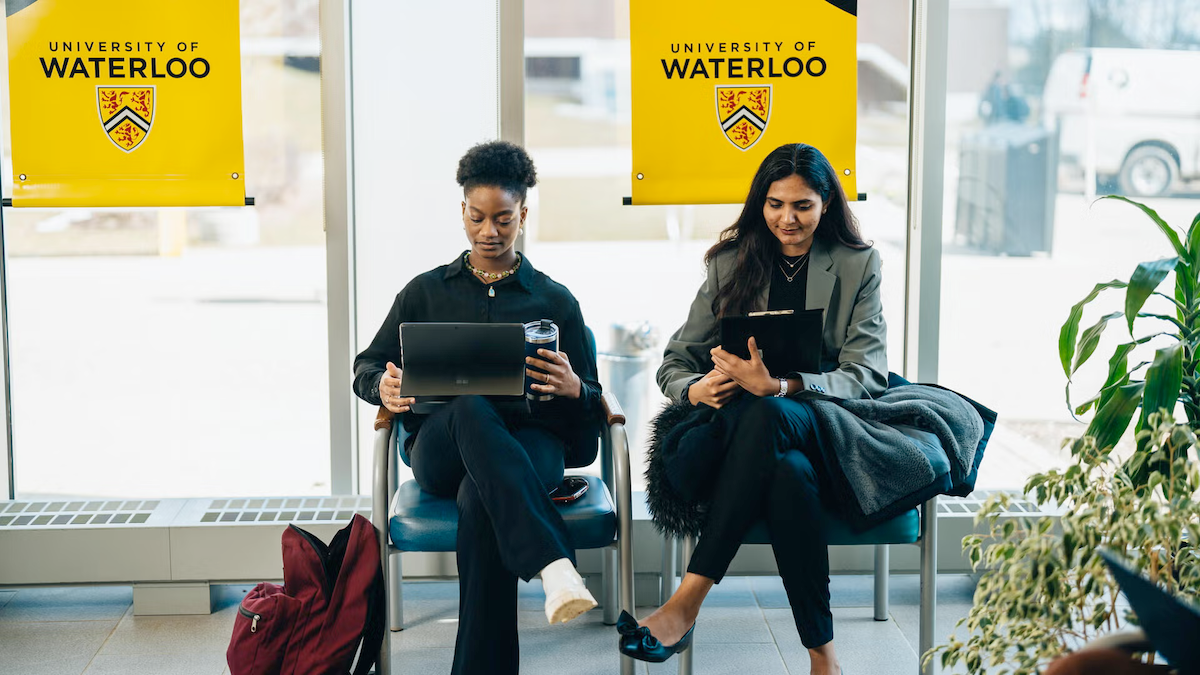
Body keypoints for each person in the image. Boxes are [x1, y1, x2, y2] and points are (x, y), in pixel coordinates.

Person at [616, 143, 887, 675]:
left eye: (803, 205)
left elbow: (866, 374)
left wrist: (781, 386)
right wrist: (697, 391)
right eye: (775, 203)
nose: (787, 218)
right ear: (760, 204)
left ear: (826, 204)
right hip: (729, 434)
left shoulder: (858, 265)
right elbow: (675, 362)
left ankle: (685, 602)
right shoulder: (728, 263)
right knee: (788, 473)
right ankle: (823, 657)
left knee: (769, 412)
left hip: (819, 422)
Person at [352, 140, 604, 675]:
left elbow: (590, 418)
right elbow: (365, 367)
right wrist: (384, 388)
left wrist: (574, 388)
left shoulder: (555, 301)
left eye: (504, 219)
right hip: (443, 444)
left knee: (481, 499)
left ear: (523, 216)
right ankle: (553, 562)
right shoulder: (423, 293)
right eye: (477, 217)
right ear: (462, 211)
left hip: (528, 446)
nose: (489, 231)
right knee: (469, 407)